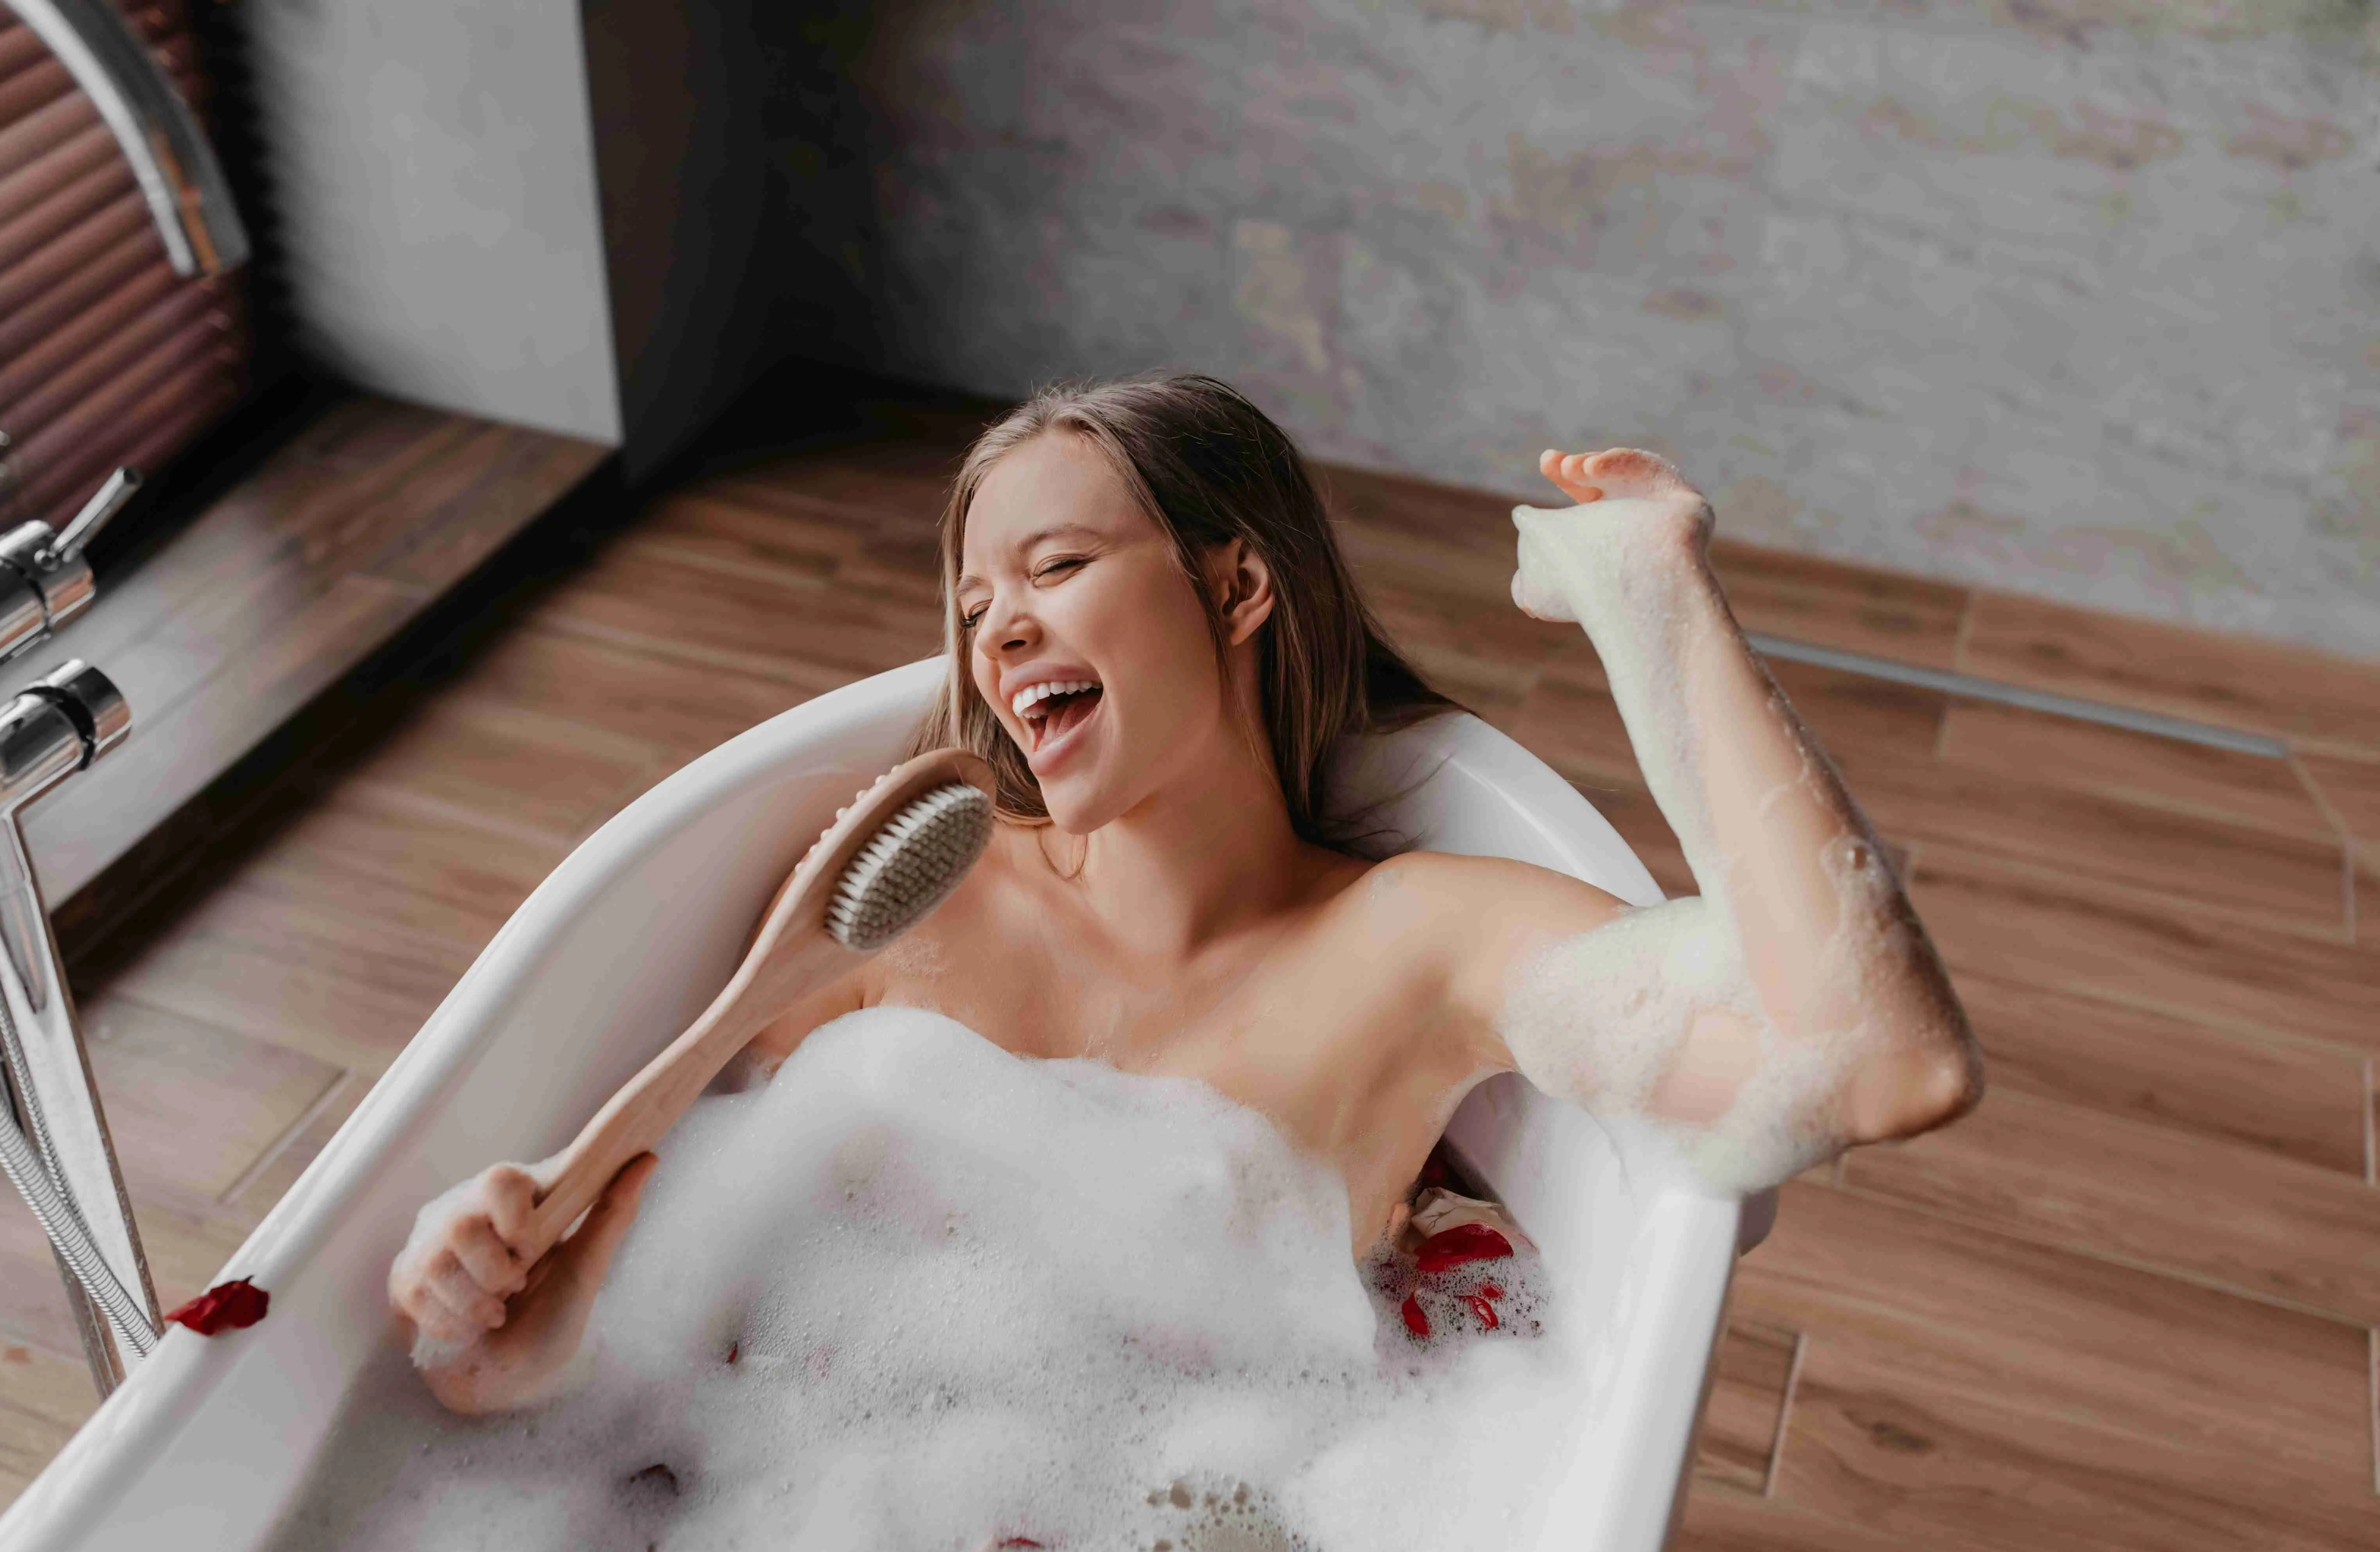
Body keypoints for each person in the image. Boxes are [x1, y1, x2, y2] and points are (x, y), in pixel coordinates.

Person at [388, 374, 1980, 1414]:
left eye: (1057, 568)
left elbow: (1874, 1057)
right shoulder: (911, 901)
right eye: (973, 601)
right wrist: (520, 1325)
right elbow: (615, 1335)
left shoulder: (1416, 942)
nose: (996, 631)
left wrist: (1662, 603)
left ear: (1236, 583)